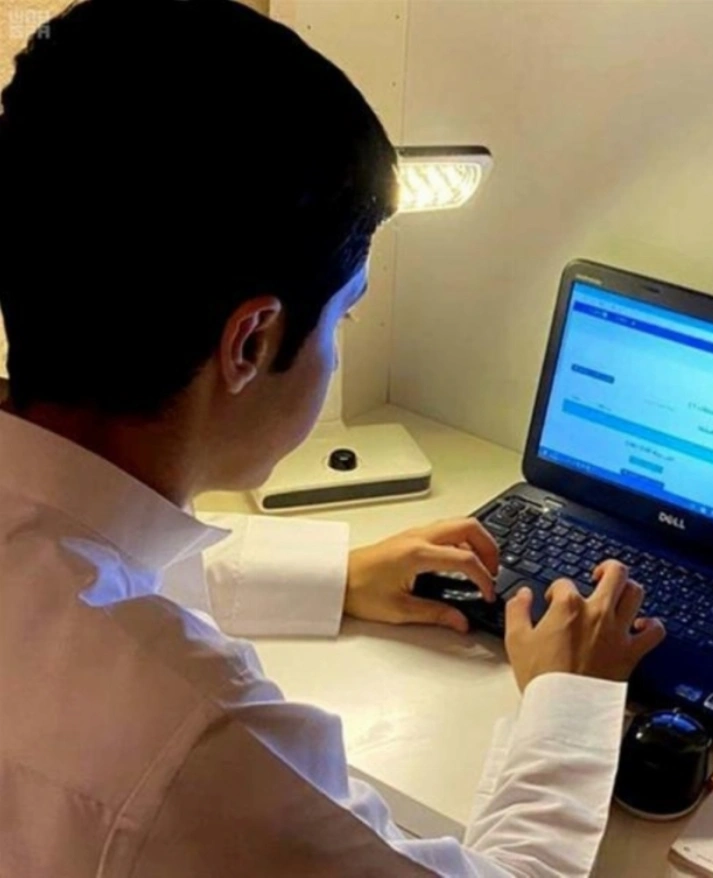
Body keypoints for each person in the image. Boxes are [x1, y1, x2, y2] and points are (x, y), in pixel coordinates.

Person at [0, 1, 666, 875]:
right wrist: (569, 699)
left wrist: (337, 577)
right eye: (343, 316)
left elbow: (80, 557)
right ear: (250, 344)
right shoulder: (206, 750)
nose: (339, 343)